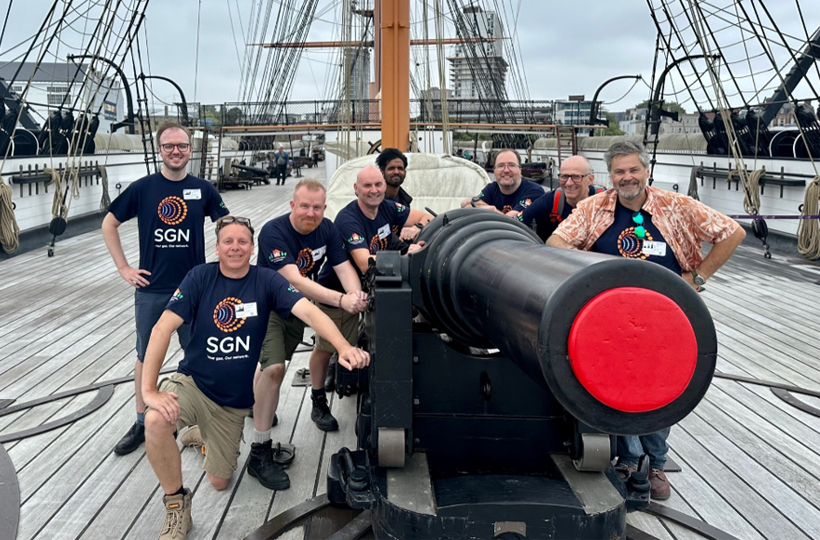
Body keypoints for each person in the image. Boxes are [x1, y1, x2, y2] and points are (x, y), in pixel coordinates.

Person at [142, 216, 369, 540]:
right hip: (195, 382)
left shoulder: (267, 281)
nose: (235, 247)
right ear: (218, 246)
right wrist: (149, 390)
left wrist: (343, 346)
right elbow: (162, 327)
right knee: (155, 421)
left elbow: (310, 312)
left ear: (252, 247)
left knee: (220, 481)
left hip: (232, 401)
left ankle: (199, 435)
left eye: (242, 242)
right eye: (228, 241)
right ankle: (177, 505)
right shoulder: (199, 278)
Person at [546, 141, 745, 500]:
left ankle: (655, 463)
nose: (627, 177)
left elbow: (732, 232)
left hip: (665, 314)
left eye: (633, 170)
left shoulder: (676, 206)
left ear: (646, 171)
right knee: (611, 387)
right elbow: (556, 242)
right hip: (608, 317)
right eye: (619, 171)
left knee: (661, 389)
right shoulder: (594, 208)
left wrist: (697, 278)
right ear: (610, 176)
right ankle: (628, 459)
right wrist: (591, 271)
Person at [102, 121, 229, 457]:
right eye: (169, 146)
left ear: (190, 150)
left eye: (182, 146)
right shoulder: (143, 189)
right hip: (152, 289)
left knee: (200, 353)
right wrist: (124, 268)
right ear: (160, 149)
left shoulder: (203, 190)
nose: (176, 151)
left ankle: (206, 416)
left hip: (193, 290)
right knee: (146, 355)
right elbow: (109, 223)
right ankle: (143, 420)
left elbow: (225, 225)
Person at [254, 179, 367, 445]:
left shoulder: (326, 229)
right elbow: (294, 280)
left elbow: (343, 267)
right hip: (269, 305)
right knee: (274, 367)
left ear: (324, 208)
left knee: (273, 361)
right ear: (293, 205)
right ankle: (260, 441)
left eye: (317, 207)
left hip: (298, 308)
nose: (310, 213)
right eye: (304, 206)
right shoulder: (273, 232)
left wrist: (355, 294)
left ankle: (255, 402)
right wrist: (342, 300)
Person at [512, 156, 605, 241]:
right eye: (564, 176)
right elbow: (517, 222)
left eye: (576, 177)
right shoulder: (550, 201)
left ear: (590, 179)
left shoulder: (605, 202)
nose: (569, 183)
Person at [460, 149, 544, 214]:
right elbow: (466, 205)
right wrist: (478, 205)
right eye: (501, 166)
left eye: (511, 165)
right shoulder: (491, 188)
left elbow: (514, 220)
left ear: (520, 170)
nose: (506, 170)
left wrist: (491, 209)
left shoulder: (534, 191)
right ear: (494, 171)